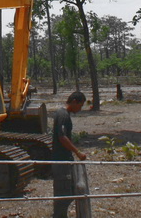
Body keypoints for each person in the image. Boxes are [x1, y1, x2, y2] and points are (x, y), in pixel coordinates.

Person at [51, 90, 87, 218]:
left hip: (64, 159)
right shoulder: (63, 115)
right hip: (61, 161)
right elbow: (62, 137)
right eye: (81, 105)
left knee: (69, 190)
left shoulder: (63, 114)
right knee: (64, 192)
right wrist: (77, 152)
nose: (80, 109)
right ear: (74, 101)